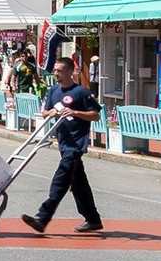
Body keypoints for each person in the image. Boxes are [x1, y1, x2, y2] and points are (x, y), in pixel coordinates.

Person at [18, 51, 105, 237]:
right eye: (55, 70)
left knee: (60, 181)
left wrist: (74, 112)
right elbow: (44, 112)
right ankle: (93, 219)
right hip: (63, 143)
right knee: (78, 184)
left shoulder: (81, 92)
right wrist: (51, 113)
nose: (56, 74)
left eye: (59, 71)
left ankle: (42, 218)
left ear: (70, 72)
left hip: (75, 146)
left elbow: (96, 115)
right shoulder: (53, 91)